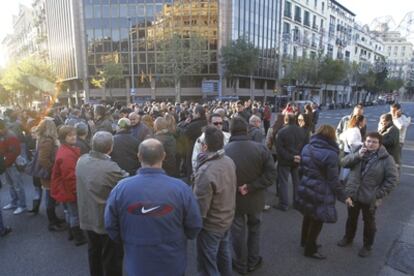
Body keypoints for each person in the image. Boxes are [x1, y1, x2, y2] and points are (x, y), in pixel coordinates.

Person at [104, 139, 202, 276]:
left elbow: (110, 225)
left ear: (138, 156)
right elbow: (194, 225)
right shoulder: (181, 189)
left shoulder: (121, 188)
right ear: (163, 156)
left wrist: (127, 239)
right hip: (172, 262)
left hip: (137, 262)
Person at [225, 117, 277, 274]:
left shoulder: (225, 151)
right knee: (254, 228)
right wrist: (252, 186)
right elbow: (271, 174)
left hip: (234, 199)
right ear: (246, 130)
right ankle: (253, 261)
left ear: (231, 131)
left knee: (237, 231)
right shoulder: (260, 149)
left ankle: (240, 263)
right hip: (255, 197)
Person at [337, 132, 398, 257]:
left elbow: (392, 179)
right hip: (353, 194)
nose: (370, 144)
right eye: (368, 141)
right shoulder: (359, 152)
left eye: (374, 142)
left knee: (369, 222)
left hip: (370, 197)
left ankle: (367, 245)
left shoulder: (386, 159)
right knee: (351, 219)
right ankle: (348, 238)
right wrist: (357, 156)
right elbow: (343, 163)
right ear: (364, 141)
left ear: (379, 144)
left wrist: (378, 194)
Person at [77, 131, 128, 276]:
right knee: (111, 257)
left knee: (93, 251)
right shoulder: (111, 168)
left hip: (87, 215)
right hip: (105, 219)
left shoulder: (81, 160)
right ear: (111, 148)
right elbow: (127, 182)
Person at [193, 126, 237, 276]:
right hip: (226, 218)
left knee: (207, 264)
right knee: (224, 255)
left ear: (204, 146)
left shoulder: (205, 171)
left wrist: (194, 226)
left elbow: (200, 207)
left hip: (211, 225)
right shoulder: (228, 161)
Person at [296, 125, 340, 260]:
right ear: (332, 136)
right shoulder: (331, 154)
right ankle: (310, 249)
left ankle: (304, 241)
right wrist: (343, 195)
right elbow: (333, 179)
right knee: (317, 219)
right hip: (321, 189)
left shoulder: (307, 147)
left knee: (308, 214)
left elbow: (301, 169)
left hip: (307, 185)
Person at [50, 125, 86, 246]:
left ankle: (72, 233)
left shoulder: (65, 149)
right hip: (68, 189)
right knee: (74, 214)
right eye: (70, 135)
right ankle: (78, 238)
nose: (73, 137)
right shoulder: (67, 155)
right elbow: (70, 177)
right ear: (63, 137)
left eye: (74, 134)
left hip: (64, 188)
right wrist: (77, 191)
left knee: (70, 212)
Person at [36, 118, 66, 231]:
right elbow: (43, 159)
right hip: (49, 176)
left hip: (49, 175)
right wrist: (54, 170)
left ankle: (54, 219)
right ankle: (52, 222)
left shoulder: (45, 139)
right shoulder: (47, 141)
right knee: (50, 198)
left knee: (51, 198)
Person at [275, 114, 307, 211]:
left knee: (283, 182)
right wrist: (299, 156)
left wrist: (291, 157)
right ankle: (296, 203)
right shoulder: (302, 131)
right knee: (296, 182)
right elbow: (306, 146)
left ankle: (284, 204)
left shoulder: (281, 132)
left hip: (285, 160)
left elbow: (279, 149)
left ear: (286, 120)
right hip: (297, 159)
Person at [0, 119, 27, 215]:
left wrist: (5, 163)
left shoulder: (10, 136)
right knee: (11, 185)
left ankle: (22, 205)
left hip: (12, 164)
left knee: (17, 185)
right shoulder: (3, 135)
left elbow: (14, 152)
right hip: (6, 164)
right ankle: (14, 202)